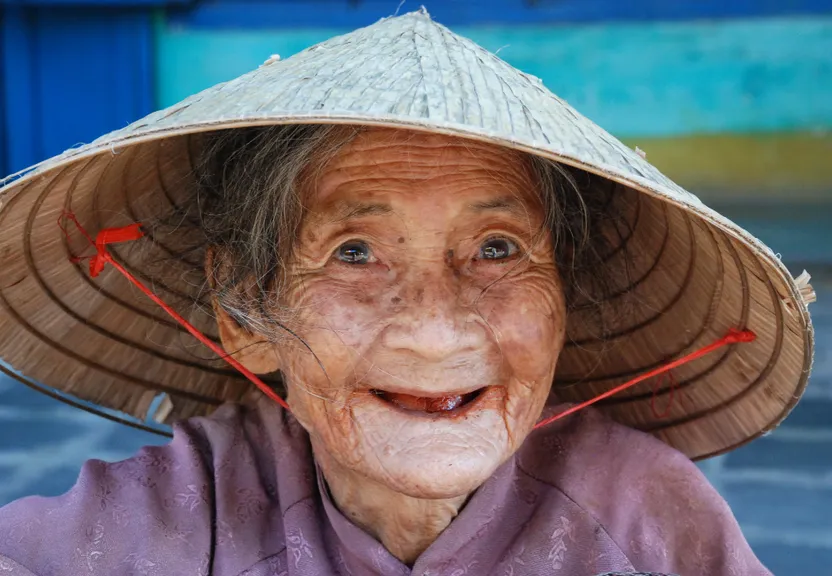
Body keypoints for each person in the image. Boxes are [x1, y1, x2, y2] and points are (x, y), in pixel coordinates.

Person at [0, 10, 814, 576]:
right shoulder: (186, 508)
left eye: (497, 249)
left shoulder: (643, 512)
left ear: (564, 298)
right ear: (242, 310)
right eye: (354, 253)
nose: (433, 332)